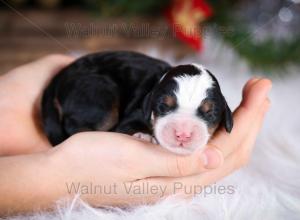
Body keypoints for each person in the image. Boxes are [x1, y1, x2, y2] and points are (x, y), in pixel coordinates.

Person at [0, 54, 271, 215]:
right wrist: (54, 174)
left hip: (81, 86)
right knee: (103, 113)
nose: (183, 132)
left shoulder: (171, 94)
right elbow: (130, 121)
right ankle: (76, 129)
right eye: (166, 109)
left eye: (206, 114)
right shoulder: (142, 103)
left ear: (224, 115)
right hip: (89, 83)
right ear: (151, 104)